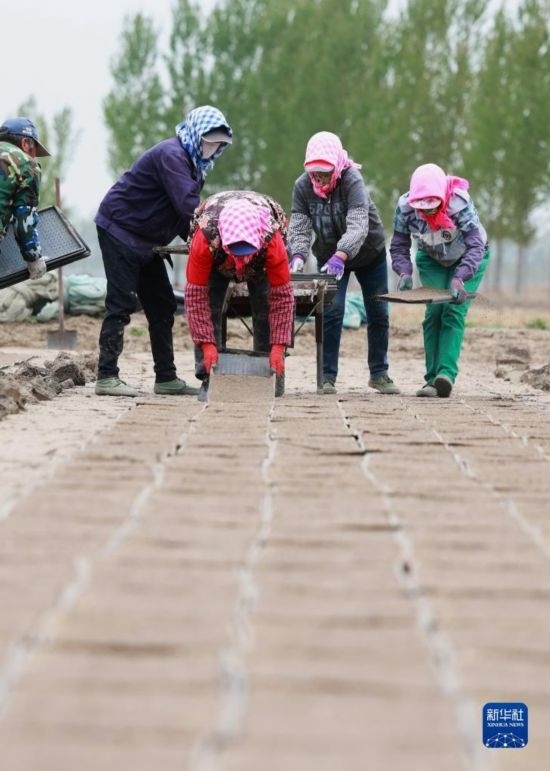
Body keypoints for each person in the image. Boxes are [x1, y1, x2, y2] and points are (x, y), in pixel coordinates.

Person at [94, 105, 233, 397]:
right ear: (196, 134)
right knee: (121, 303)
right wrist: (217, 237)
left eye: (218, 144)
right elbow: (188, 207)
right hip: (120, 230)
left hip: (148, 241)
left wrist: (203, 244)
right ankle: (106, 376)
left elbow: (183, 219)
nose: (213, 148)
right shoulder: (172, 156)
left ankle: (166, 378)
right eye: (209, 141)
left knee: (162, 305)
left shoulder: (196, 166)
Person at [287, 131, 400, 395]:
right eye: (314, 172)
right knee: (332, 310)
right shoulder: (302, 187)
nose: (319, 178)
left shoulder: (352, 180)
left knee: (378, 312)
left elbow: (359, 224)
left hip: (368, 253)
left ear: (336, 165)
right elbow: (300, 226)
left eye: (324, 172)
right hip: (329, 257)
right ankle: (327, 377)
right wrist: (298, 255)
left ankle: (379, 374)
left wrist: (343, 253)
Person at [390, 162, 489, 398]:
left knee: (453, 309)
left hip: (469, 257)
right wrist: (404, 272)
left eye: (432, 207)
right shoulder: (404, 208)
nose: (427, 213)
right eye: (422, 208)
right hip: (432, 258)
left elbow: (475, 245)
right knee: (434, 312)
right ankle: (431, 380)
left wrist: (461, 277)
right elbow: (399, 245)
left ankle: (445, 374)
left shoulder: (459, 204)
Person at [185, 190, 294, 400]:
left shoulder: (271, 238)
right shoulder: (206, 236)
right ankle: (208, 373)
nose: (241, 261)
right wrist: (206, 343)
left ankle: (270, 372)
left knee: (265, 306)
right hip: (217, 259)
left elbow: (282, 297)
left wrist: (279, 347)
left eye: (246, 254)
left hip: (261, 262)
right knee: (210, 302)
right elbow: (195, 297)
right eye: (236, 253)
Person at [0, 117, 50, 281]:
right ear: (26, 143)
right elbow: (24, 223)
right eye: (35, 151)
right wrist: (34, 258)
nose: (34, 157)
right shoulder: (26, 164)